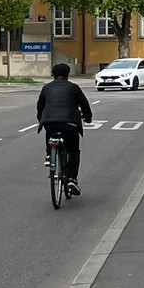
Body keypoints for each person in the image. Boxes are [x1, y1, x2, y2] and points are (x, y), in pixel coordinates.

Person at [37, 63, 93, 196]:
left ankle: (50, 154)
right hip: (70, 123)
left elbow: (40, 107)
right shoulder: (74, 88)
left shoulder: (46, 88)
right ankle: (72, 179)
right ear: (68, 75)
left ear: (53, 74)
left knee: (50, 131)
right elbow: (84, 105)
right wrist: (88, 118)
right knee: (73, 150)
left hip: (50, 122)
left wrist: (42, 120)